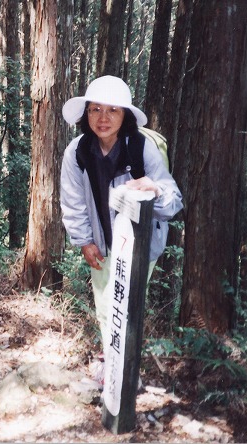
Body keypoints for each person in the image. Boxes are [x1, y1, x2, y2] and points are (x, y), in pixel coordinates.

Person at [60, 75, 183, 359]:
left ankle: (126, 373)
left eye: (112, 110)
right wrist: (83, 241)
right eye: (95, 109)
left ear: (124, 114)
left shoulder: (141, 148)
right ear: (86, 113)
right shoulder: (77, 152)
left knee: (128, 307)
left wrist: (154, 189)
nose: (103, 118)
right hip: (101, 244)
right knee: (105, 307)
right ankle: (111, 367)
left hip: (140, 246)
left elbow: (173, 200)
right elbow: (73, 201)